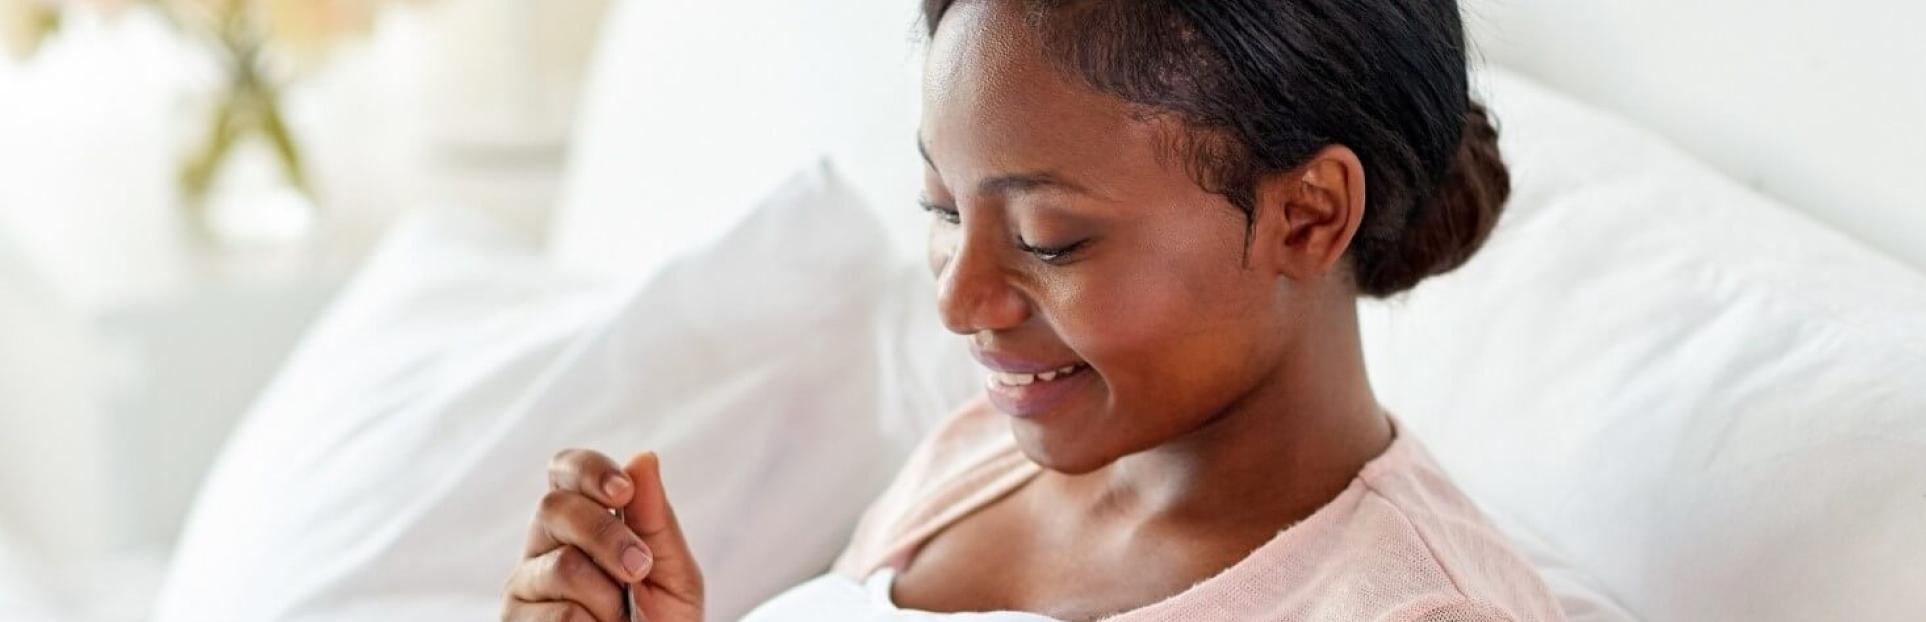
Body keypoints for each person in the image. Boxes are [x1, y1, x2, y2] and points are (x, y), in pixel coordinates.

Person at [502, 0, 1561, 619]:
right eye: (941, 208)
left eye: (1052, 238)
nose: (961, 303)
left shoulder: (1410, 609)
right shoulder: (982, 459)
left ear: (1307, 216)